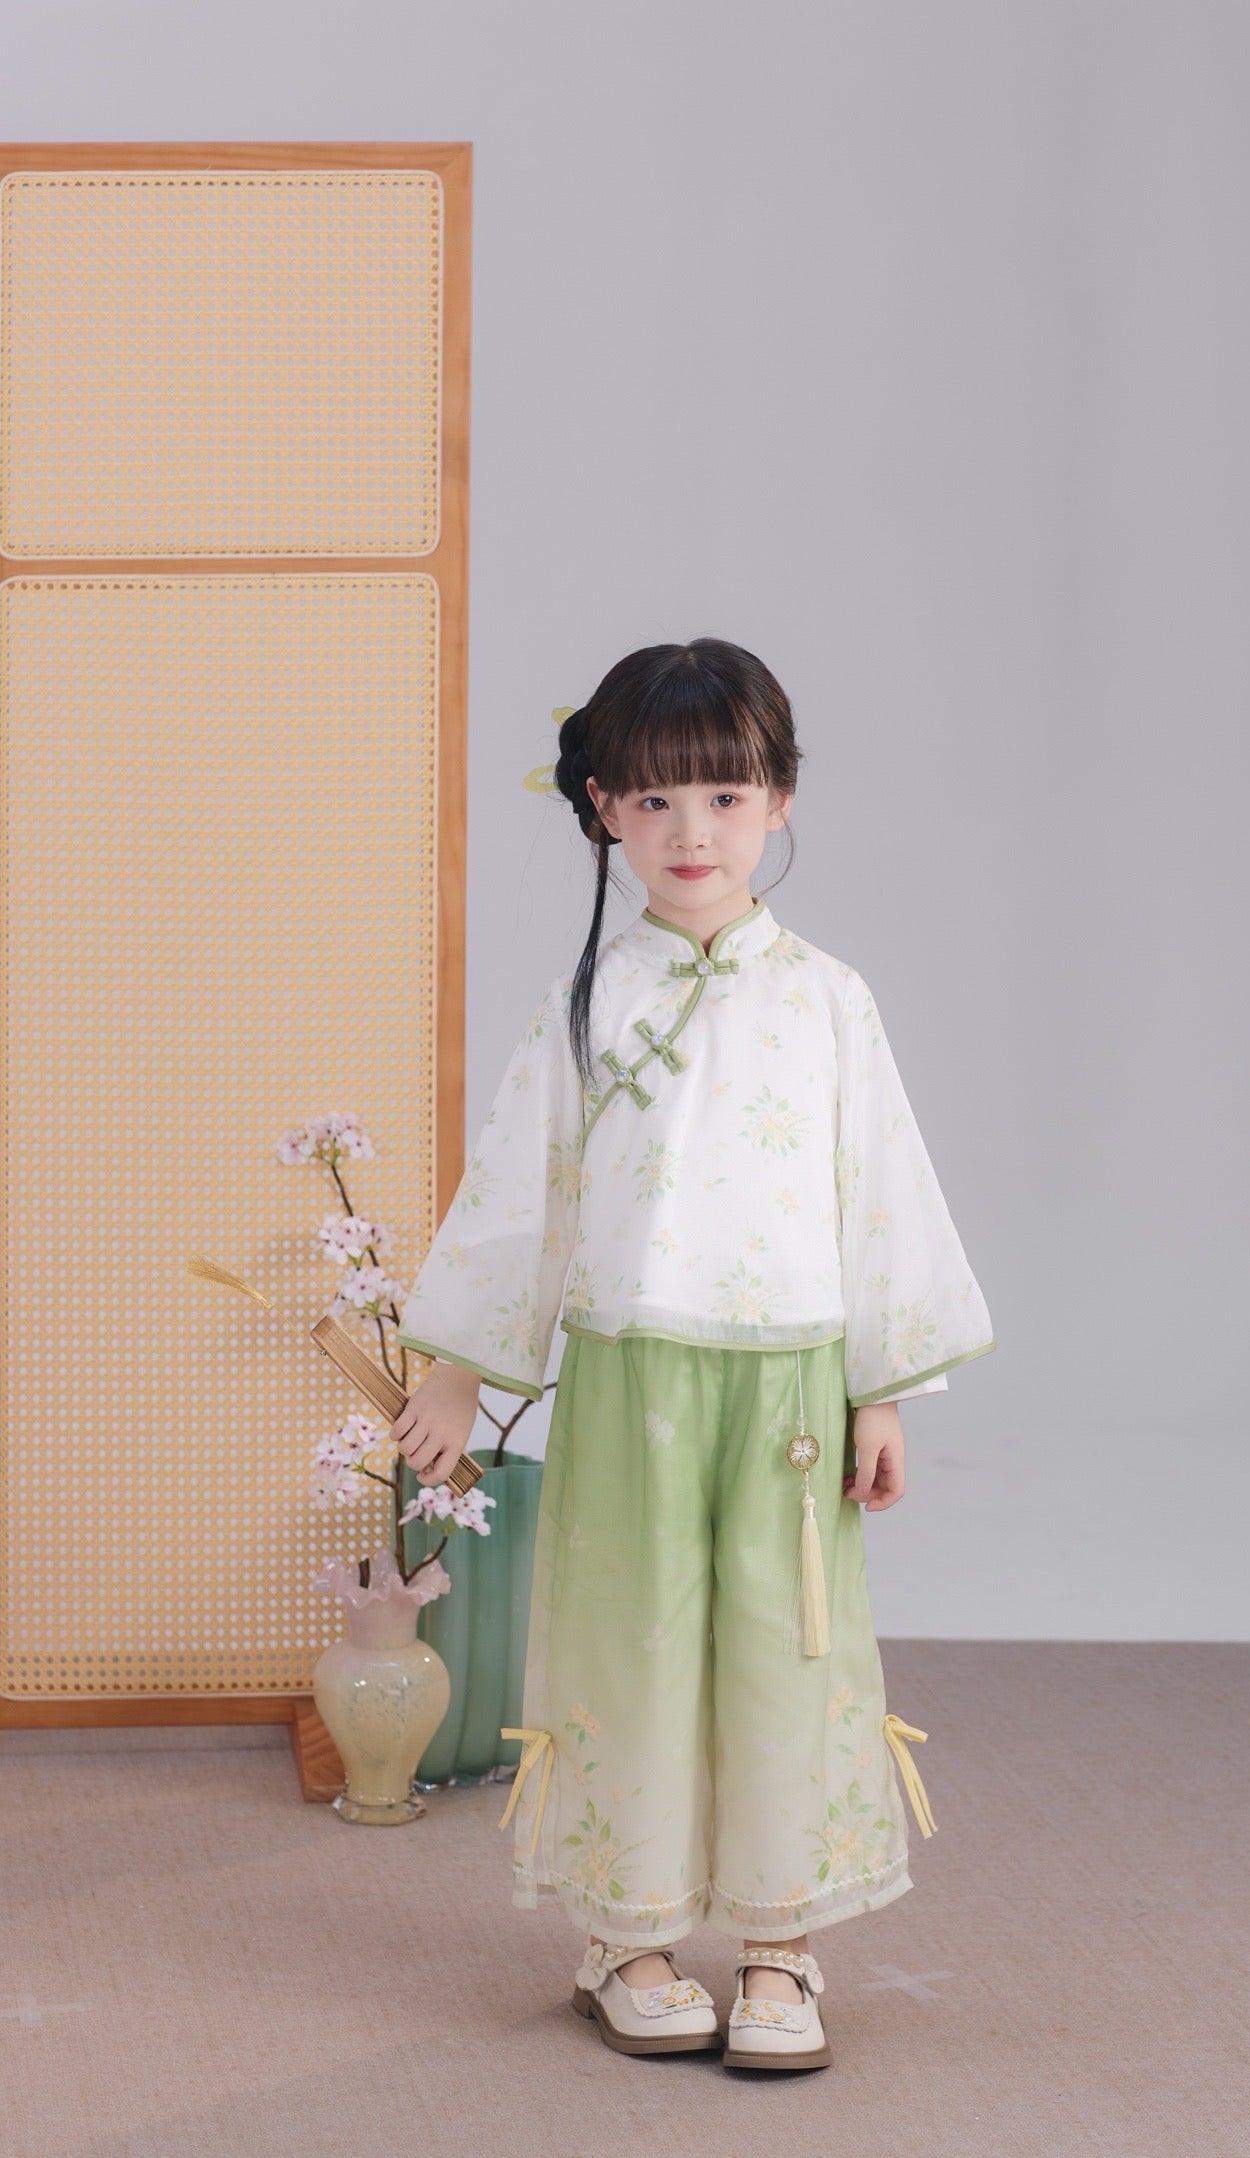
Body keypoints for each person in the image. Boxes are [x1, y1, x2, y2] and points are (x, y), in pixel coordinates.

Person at [390, 637, 995, 2071]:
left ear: (778, 800)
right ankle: (628, 1934)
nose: (691, 833)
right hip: (630, 1384)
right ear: (603, 807)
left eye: (725, 794)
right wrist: (458, 1368)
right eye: (654, 801)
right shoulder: (585, 1009)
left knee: (789, 1643)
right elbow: (518, 1192)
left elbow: (881, 1189)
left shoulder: (830, 1001)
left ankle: (782, 1942)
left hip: (786, 1386)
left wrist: (882, 1390)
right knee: (632, 1644)